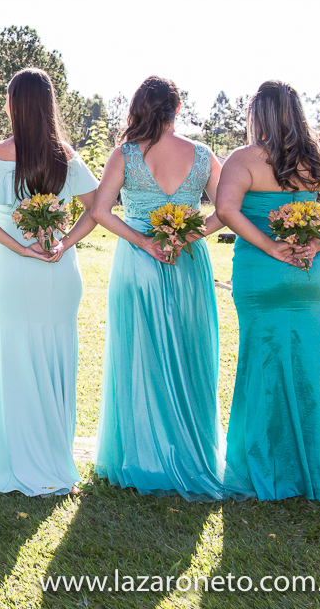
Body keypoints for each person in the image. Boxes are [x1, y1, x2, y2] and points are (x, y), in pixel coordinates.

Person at [217, 80, 320, 501]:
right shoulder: (319, 160)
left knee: (261, 361)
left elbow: (226, 209)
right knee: (312, 361)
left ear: (257, 115)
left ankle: (265, 467)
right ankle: (318, 470)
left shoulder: (243, 159)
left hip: (261, 274)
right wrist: (318, 242)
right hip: (309, 273)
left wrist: (269, 246)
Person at [91, 76, 225, 500]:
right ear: (178, 110)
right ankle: (191, 452)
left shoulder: (125, 155)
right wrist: (185, 237)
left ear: (139, 109)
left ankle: (140, 453)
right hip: (187, 264)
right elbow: (226, 211)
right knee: (189, 352)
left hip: (137, 262)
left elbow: (100, 210)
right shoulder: (202, 155)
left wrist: (146, 241)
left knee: (139, 356)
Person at [0, 68, 99, 496]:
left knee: (17, 349)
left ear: (12, 104)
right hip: (59, 268)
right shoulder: (66, 154)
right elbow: (97, 208)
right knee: (53, 351)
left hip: (15, 266)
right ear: (49, 106)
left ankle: (16, 454)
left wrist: (18, 245)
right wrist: (64, 241)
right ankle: (51, 452)